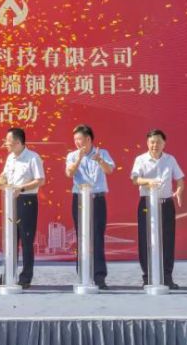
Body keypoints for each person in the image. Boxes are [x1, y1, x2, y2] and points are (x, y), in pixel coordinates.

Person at [0, 127, 45, 289]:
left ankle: (25, 277)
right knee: (11, 240)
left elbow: (40, 180)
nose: (6, 144)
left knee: (26, 240)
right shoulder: (10, 158)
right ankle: (8, 275)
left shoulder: (33, 157)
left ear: (19, 142)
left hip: (27, 201)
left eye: (9, 141)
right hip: (11, 201)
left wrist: (21, 188)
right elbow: (4, 177)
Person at [130, 129, 184, 289]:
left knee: (168, 240)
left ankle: (167, 277)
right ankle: (148, 277)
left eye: (158, 142)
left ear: (164, 143)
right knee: (145, 239)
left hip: (166, 203)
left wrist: (179, 190)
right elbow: (135, 179)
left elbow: (180, 179)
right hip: (147, 203)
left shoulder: (170, 159)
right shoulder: (140, 159)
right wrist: (148, 182)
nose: (155, 145)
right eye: (152, 142)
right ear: (147, 143)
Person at [65, 124, 115, 290]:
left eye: (79, 139)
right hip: (79, 199)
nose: (77, 142)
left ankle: (99, 277)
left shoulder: (103, 153)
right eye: (75, 139)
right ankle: (83, 275)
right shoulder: (72, 155)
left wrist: (99, 160)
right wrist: (78, 158)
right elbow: (69, 173)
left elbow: (109, 170)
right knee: (81, 236)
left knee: (97, 237)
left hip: (97, 198)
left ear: (88, 139)